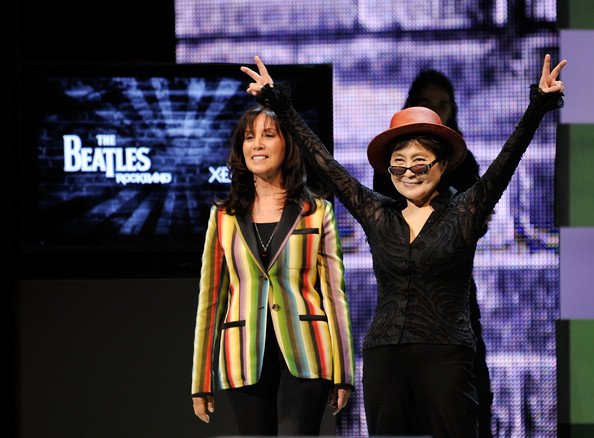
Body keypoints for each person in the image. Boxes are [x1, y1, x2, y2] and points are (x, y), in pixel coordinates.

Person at [241, 54, 566, 437]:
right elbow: (325, 163)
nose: (408, 172)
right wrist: (281, 105)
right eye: (398, 163)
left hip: (447, 355)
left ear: (442, 166)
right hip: (385, 358)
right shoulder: (379, 214)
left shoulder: (464, 212)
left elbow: (506, 162)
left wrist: (538, 105)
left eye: (420, 162)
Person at [191, 103, 355, 436]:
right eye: (249, 137)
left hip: (307, 351)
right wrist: (200, 380)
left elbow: (334, 295)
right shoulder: (223, 217)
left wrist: (344, 373)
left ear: (288, 144)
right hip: (243, 354)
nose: (257, 144)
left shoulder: (316, 211)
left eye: (268, 135)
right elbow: (210, 301)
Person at [373, 68, 495, 437]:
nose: (437, 111)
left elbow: (480, 219)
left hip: (452, 302)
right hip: (400, 311)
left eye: (444, 105)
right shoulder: (390, 167)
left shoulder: (465, 164)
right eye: (428, 103)